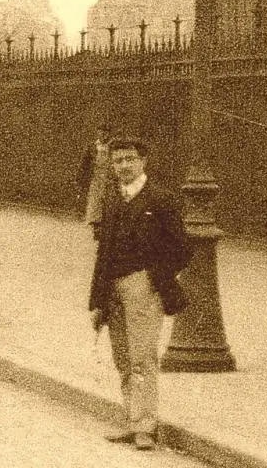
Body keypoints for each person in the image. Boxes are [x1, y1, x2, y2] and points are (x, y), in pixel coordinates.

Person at [88, 137, 191, 451]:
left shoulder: (161, 199)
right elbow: (103, 253)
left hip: (142, 286)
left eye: (130, 159)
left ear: (143, 161)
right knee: (122, 358)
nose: (123, 166)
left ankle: (145, 426)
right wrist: (96, 299)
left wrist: (155, 275)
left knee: (142, 358)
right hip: (113, 287)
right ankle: (132, 421)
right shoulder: (112, 199)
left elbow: (182, 250)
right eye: (118, 161)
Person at [76, 124, 113, 238]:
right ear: (97, 133)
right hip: (96, 178)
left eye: (105, 133)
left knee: (107, 202)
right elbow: (84, 163)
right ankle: (96, 226)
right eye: (100, 132)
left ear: (108, 134)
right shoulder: (92, 146)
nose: (102, 135)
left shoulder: (113, 147)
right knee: (94, 202)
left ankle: (105, 226)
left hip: (109, 179)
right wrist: (80, 178)